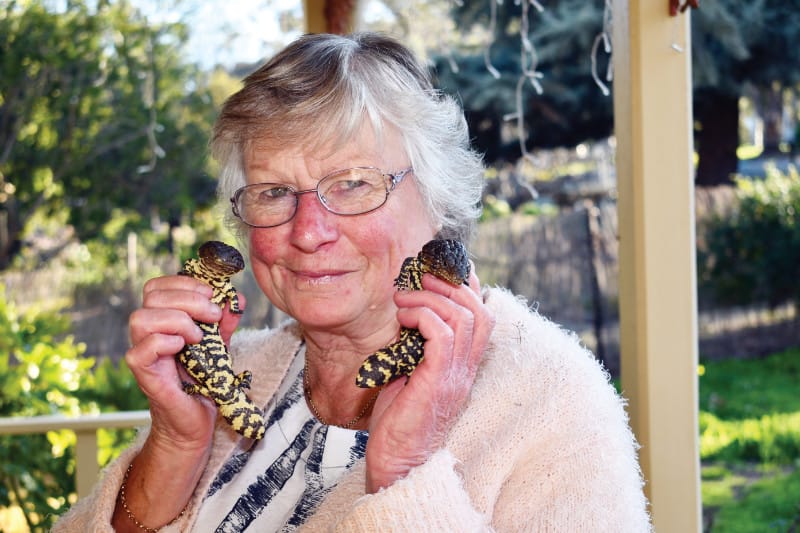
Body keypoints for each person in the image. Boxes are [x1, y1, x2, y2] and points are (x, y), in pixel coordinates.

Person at [54, 32, 651, 532]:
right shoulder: (234, 374)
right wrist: (174, 451)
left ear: (437, 197)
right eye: (274, 192)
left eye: (354, 184)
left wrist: (405, 473)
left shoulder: (550, 401)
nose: (308, 231)